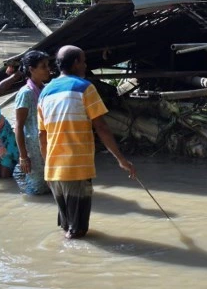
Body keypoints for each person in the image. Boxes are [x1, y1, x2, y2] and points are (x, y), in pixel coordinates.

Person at [37, 45, 136, 240]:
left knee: (66, 225)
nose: (85, 65)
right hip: (76, 168)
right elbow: (102, 127)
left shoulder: (45, 92)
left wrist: (47, 168)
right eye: (83, 61)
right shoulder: (84, 87)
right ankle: (73, 263)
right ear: (75, 63)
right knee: (78, 231)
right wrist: (121, 159)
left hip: (54, 170)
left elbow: (42, 135)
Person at [14, 50, 52, 195]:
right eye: (43, 66)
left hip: (46, 143)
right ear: (31, 69)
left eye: (48, 65)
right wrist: (23, 156)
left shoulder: (45, 89)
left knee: (50, 184)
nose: (48, 69)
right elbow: (18, 126)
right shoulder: (26, 93)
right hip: (33, 148)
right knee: (37, 189)